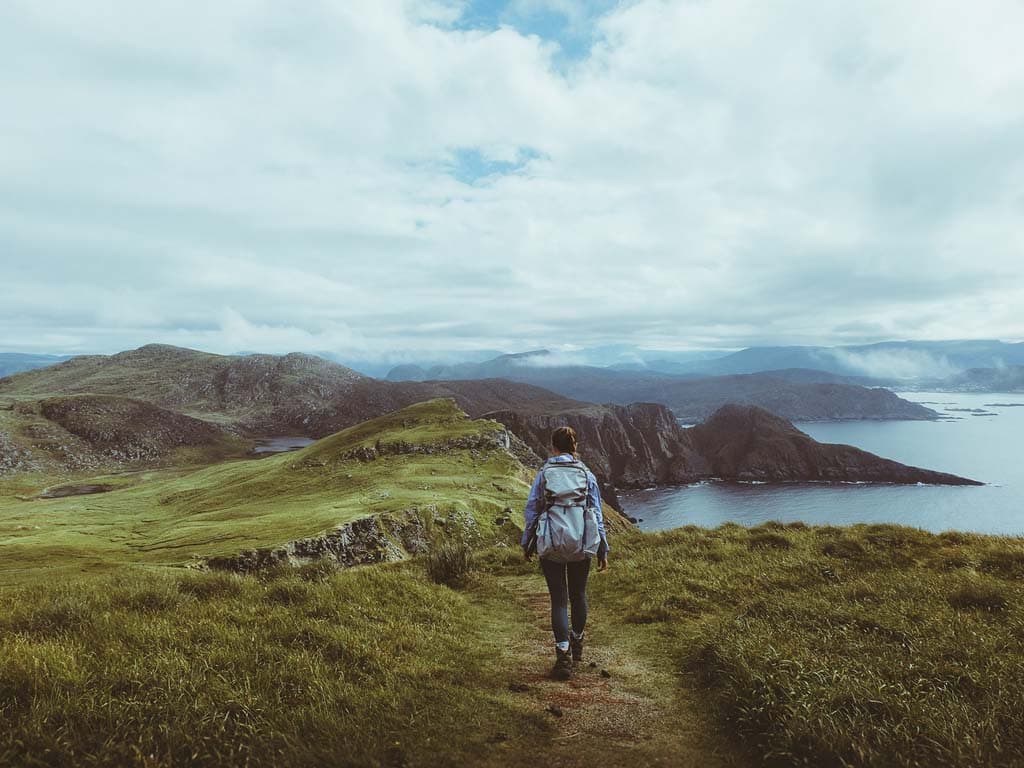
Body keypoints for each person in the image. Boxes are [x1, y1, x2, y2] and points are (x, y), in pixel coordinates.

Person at [522, 426, 609, 680]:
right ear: (575, 446)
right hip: (581, 543)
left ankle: (563, 656)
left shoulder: (544, 474)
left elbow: (532, 510)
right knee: (578, 594)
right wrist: (602, 548)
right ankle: (577, 641)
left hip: (551, 543)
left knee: (559, 600)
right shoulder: (586, 474)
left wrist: (527, 543)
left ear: (553, 447)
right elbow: (597, 514)